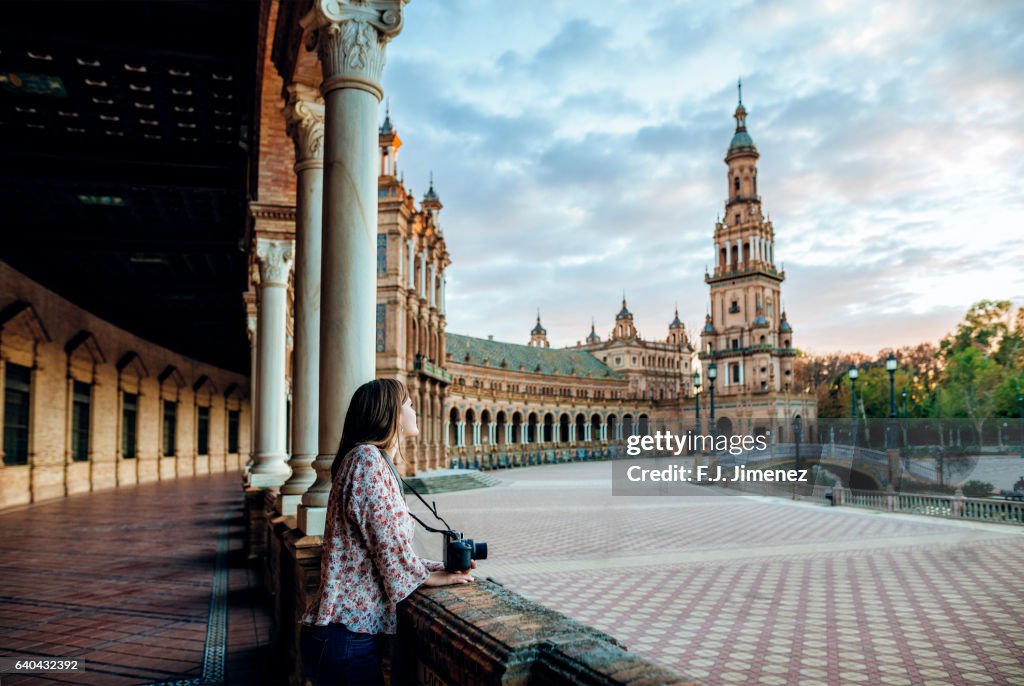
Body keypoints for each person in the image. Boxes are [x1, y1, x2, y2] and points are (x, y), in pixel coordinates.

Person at [300, 379, 474, 685]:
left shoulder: (369, 459)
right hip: (347, 636)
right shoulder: (367, 461)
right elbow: (390, 552)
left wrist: (435, 567)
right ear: (390, 413)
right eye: (407, 404)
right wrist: (429, 576)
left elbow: (379, 548)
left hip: (346, 635)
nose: (414, 410)